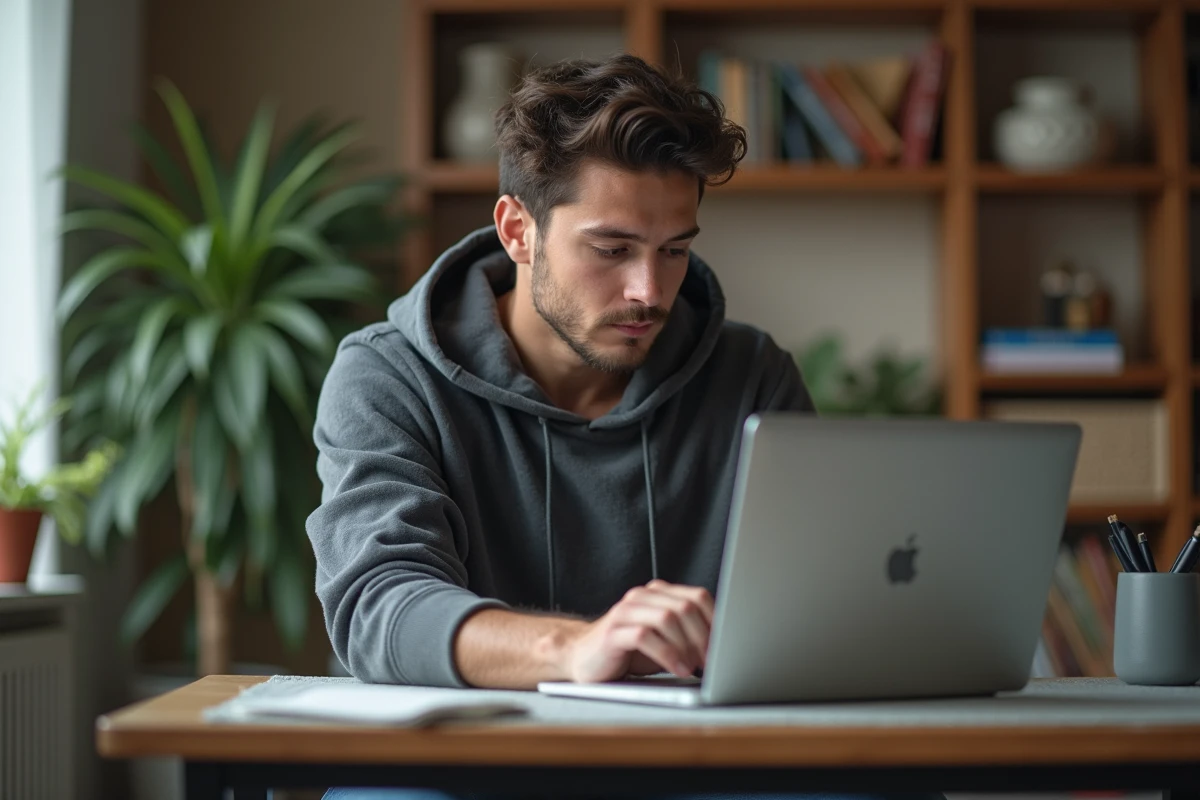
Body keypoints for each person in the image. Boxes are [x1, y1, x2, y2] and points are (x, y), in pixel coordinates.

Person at [309, 53, 939, 800]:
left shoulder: (751, 375)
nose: (648, 290)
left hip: (705, 765)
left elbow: (824, 598)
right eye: (611, 250)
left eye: (675, 250)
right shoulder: (388, 376)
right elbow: (379, 603)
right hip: (481, 766)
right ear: (518, 231)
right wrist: (576, 647)